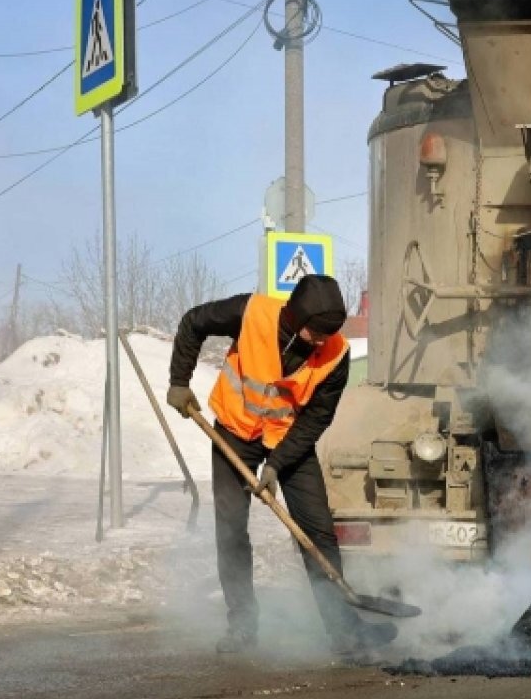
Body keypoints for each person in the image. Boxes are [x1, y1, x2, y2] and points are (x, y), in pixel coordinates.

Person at [165, 274, 395, 655]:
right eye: (316, 333)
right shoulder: (251, 312)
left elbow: (316, 418)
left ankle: (343, 631)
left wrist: (276, 465)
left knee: (318, 532)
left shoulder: (335, 355)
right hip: (235, 433)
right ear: (297, 316)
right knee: (231, 530)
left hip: (288, 440)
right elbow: (193, 322)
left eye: (328, 334)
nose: (322, 341)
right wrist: (179, 380)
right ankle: (242, 625)